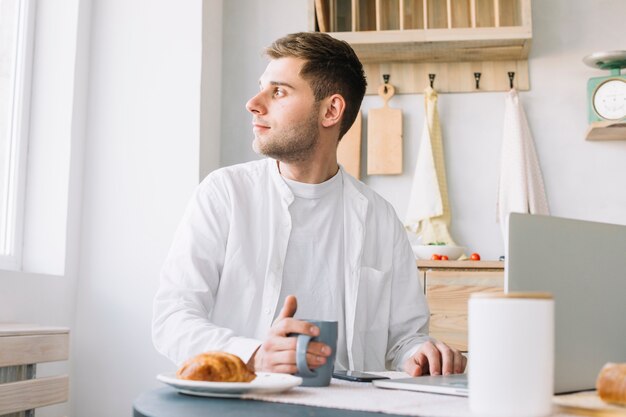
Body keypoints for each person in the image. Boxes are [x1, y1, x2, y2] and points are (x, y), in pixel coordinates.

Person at [152, 32, 467, 376]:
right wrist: (254, 354)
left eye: (279, 91)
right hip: (240, 404)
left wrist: (421, 353)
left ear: (331, 110)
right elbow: (172, 319)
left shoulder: (380, 218)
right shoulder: (224, 194)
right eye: (262, 87)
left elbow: (404, 340)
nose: (254, 103)